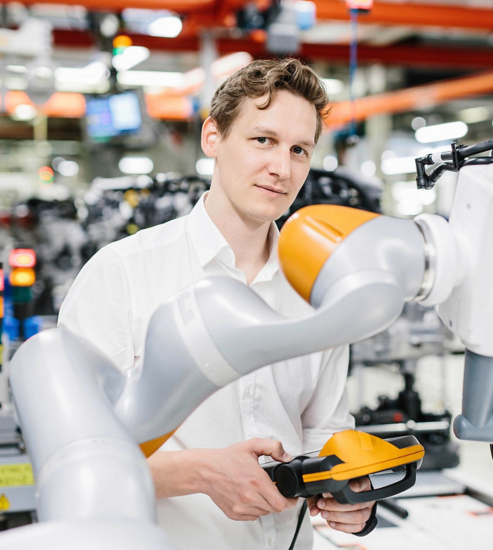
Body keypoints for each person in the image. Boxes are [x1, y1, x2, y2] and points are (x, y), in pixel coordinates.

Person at [58, 58, 376, 550]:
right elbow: (69, 457)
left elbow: (324, 431)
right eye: (263, 140)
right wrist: (201, 472)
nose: (282, 168)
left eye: (299, 150)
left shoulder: (318, 291)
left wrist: (350, 490)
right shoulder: (122, 273)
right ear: (213, 138)